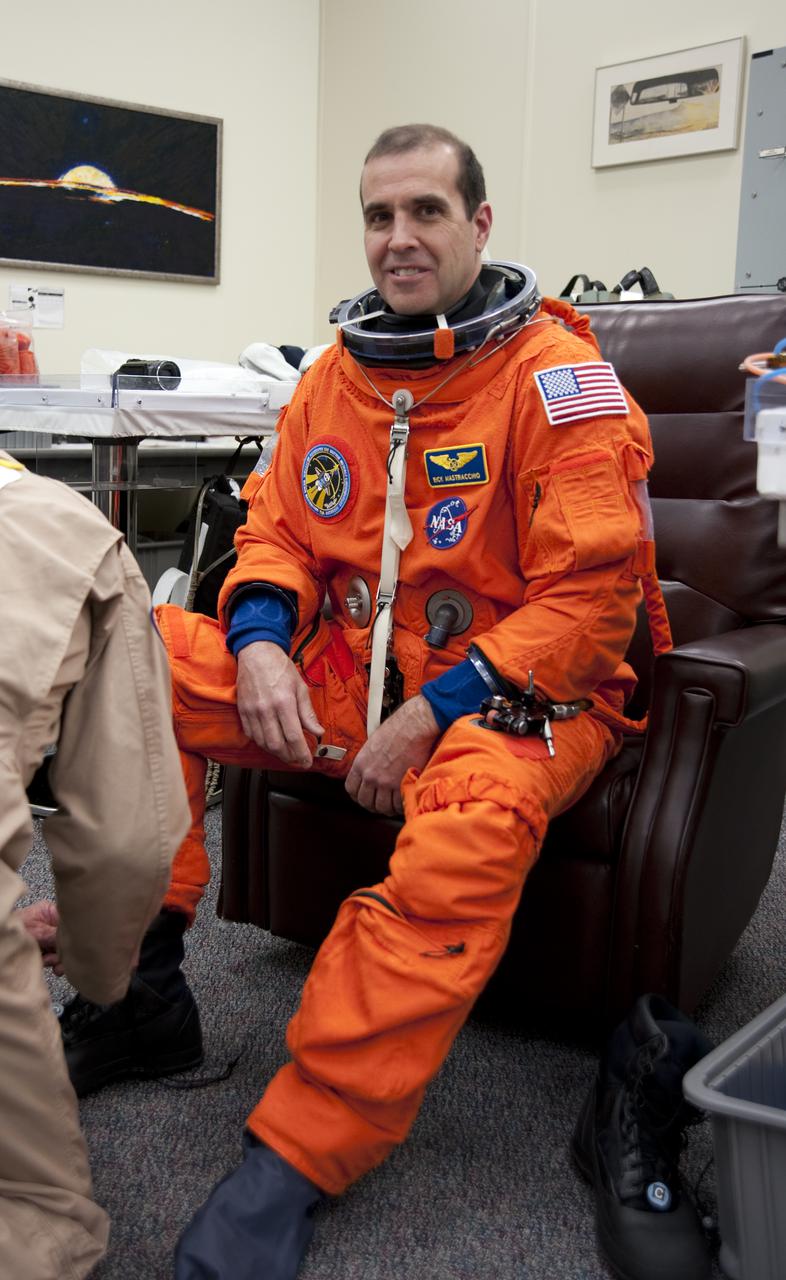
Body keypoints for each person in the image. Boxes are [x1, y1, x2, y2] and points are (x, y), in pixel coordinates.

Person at [59, 124, 665, 1279]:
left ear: (479, 226)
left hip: (519, 695)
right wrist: (257, 646)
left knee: (473, 826)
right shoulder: (336, 377)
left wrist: (435, 709)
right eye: (380, 215)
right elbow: (277, 531)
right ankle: (137, 986)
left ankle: (299, 1148)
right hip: (343, 674)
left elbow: (594, 605)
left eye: (426, 212)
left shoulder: (558, 380)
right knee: (126, 653)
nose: (399, 238)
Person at [0, 451, 190, 1280]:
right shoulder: (58, 533)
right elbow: (129, 839)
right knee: (35, 1217)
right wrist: (90, 958)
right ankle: (131, 1004)